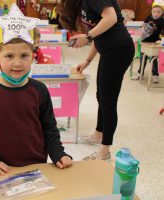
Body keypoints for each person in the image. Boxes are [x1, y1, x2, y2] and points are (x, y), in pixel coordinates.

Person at [0, 5, 72, 175]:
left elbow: (49, 127)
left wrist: (57, 152)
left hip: (36, 166)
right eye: (9, 56)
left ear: (33, 57)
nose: (18, 63)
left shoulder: (39, 90)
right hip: (0, 170)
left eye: (24, 56)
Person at [58, 0, 134, 160]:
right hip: (108, 51)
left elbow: (111, 18)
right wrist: (87, 61)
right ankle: (99, 135)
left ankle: (104, 151)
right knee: (102, 96)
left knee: (108, 102)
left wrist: (87, 37)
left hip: (118, 50)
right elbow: (98, 32)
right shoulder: (84, 2)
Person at [131, 5, 164, 83]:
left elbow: (163, 33)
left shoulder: (162, 21)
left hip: (154, 44)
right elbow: (143, 27)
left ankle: (155, 75)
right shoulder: (148, 18)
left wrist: (160, 40)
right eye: (154, 12)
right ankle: (140, 74)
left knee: (154, 60)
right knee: (143, 59)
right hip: (145, 42)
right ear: (151, 12)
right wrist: (138, 35)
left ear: (162, 13)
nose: (156, 13)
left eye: (159, 12)